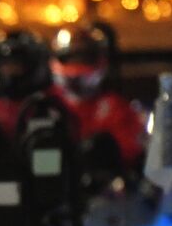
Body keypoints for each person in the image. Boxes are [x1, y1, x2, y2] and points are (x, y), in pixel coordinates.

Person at [48, 23, 146, 171]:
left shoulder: (116, 108)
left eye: (83, 58)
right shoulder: (43, 104)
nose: (77, 65)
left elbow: (130, 153)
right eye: (71, 58)